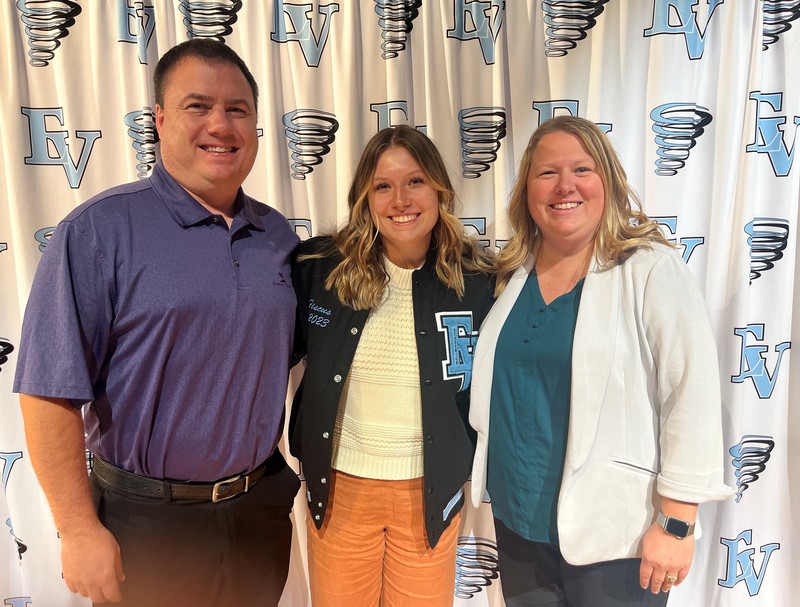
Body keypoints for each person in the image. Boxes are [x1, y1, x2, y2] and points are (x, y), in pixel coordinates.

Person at [13, 39, 300, 606]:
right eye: (198, 106)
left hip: (258, 514)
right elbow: (48, 392)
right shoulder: (98, 231)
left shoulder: (279, 239)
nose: (220, 124)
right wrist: (76, 529)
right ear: (160, 120)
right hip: (144, 524)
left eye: (237, 109)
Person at [469, 116, 733, 606]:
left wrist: (677, 525)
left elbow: (690, 397)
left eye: (582, 170)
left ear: (607, 183)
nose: (564, 186)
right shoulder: (513, 276)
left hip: (618, 536)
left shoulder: (650, 269)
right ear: (527, 190)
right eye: (547, 173)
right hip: (519, 526)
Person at [290, 125, 495, 605]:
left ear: (440, 188)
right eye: (383, 185)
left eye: (415, 181)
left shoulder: (480, 280)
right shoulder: (319, 269)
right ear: (365, 197)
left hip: (429, 493)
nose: (400, 198)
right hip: (340, 490)